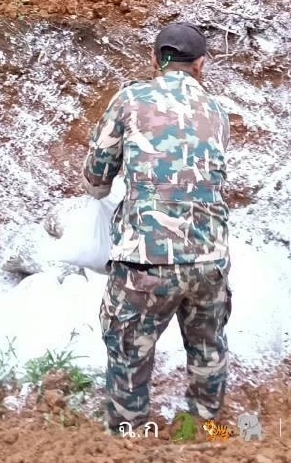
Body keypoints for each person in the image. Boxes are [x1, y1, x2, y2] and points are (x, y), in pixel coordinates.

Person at [82, 23, 231, 436]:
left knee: (127, 348)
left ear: (154, 59)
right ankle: (205, 429)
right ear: (201, 64)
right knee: (208, 348)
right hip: (209, 258)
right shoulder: (218, 111)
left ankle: (129, 434)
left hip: (146, 261)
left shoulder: (130, 100)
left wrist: (105, 191)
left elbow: (96, 178)